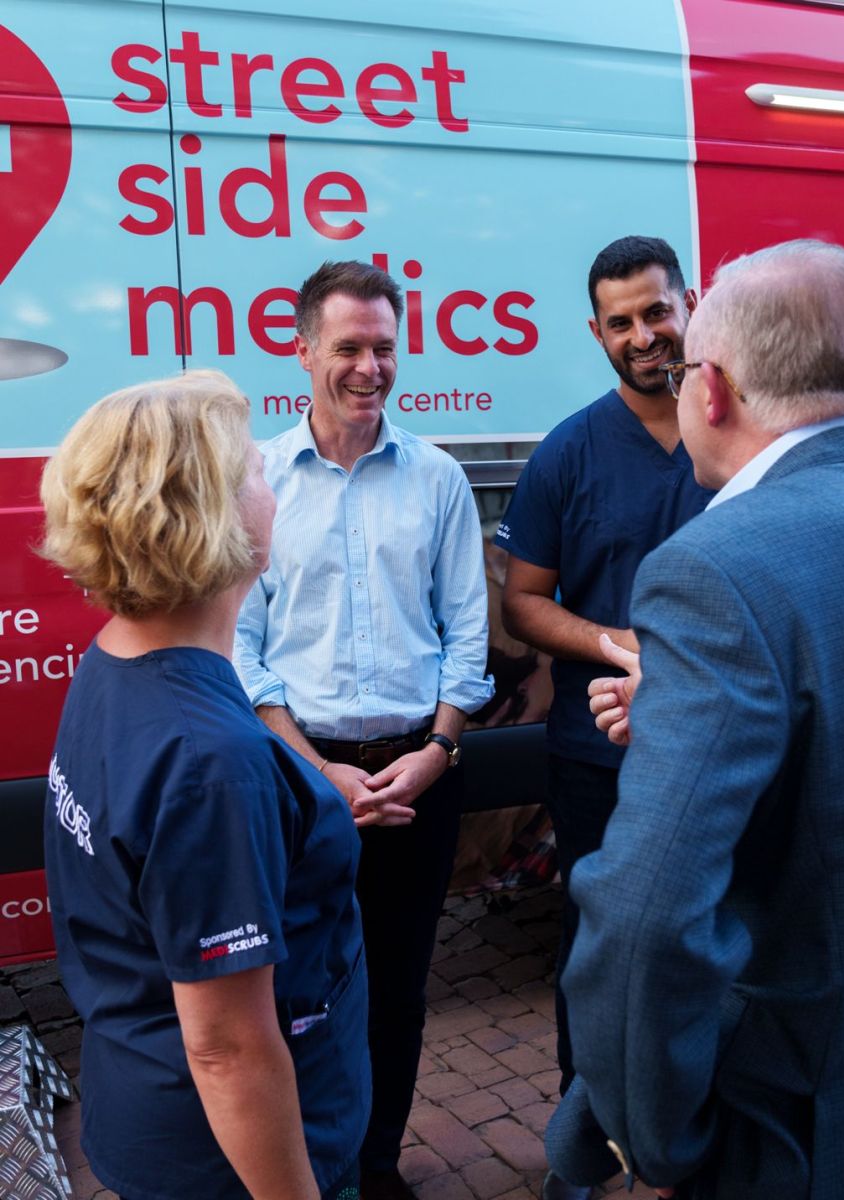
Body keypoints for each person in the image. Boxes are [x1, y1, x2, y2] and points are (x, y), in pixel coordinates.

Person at [545, 239, 844, 1200]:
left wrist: (656, 1142)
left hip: (808, 1129)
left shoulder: (715, 568)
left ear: (714, 389)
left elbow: (647, 923)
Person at [40, 370, 369, 1200]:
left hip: (146, 1103)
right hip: (227, 1165)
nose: (270, 480)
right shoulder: (210, 762)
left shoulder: (118, 658)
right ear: (206, 513)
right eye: (253, 470)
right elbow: (226, 1046)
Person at [233, 260, 493, 1200]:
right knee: (296, 988)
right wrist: (316, 774)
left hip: (419, 775)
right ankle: (306, 1169)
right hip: (298, 779)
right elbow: (243, 646)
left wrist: (437, 751)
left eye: (384, 347)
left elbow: (468, 632)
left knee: (397, 989)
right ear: (302, 350)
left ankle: (375, 1165)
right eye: (348, 347)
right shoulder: (256, 478)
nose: (369, 367)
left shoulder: (437, 479)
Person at [493, 235, 712, 1199]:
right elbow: (523, 602)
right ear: (594, 333)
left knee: (715, 944)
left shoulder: (736, 431)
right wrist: (610, 642)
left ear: (690, 304)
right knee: (596, 954)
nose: (641, 335)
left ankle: (700, 1138)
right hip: (598, 759)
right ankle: (580, 1154)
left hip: (718, 748)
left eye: (656, 311)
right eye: (619, 322)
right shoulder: (569, 451)